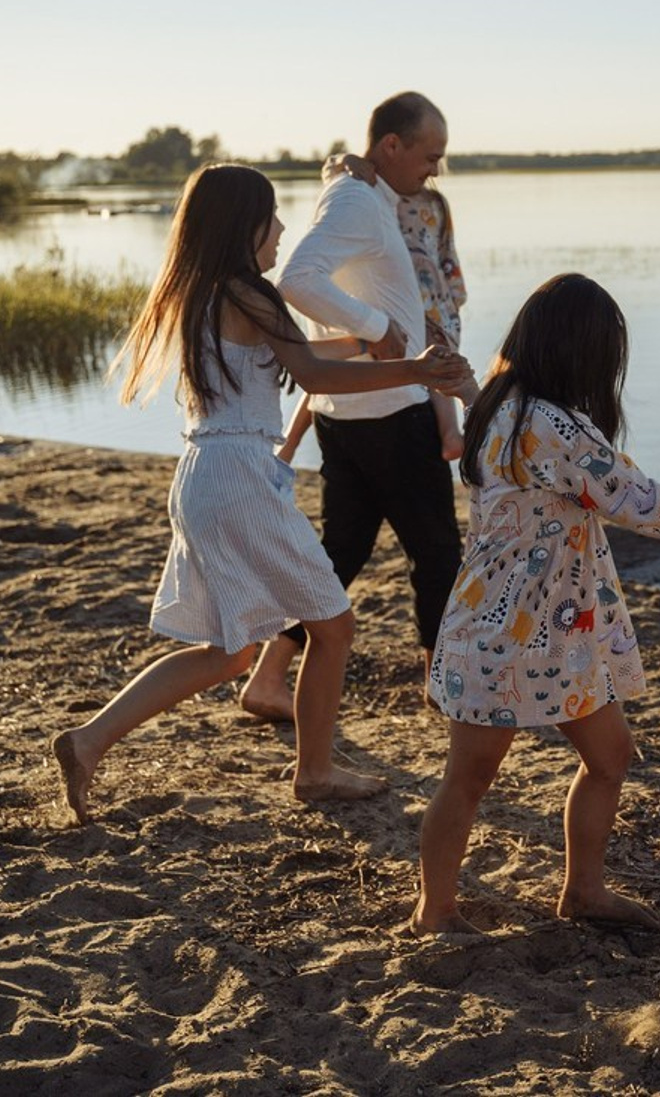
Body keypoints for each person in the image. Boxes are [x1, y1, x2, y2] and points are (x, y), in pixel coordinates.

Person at [51, 163, 474, 824]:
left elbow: (299, 355)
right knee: (334, 628)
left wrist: (371, 344)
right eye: (274, 217)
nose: (282, 229)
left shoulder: (207, 293)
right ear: (245, 224)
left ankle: (87, 741)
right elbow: (308, 371)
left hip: (205, 476)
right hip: (241, 480)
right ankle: (315, 771)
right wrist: (414, 370)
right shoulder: (253, 293)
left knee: (232, 650)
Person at [411, 273, 660, 935]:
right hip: (509, 635)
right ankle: (435, 910)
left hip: (548, 631)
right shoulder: (551, 423)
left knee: (609, 757)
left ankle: (584, 891)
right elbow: (644, 504)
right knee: (469, 778)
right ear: (580, 352)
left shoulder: (501, 406)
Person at [239, 93, 464, 722]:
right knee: (438, 552)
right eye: (430, 155)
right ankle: (442, 686)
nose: (435, 171)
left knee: (341, 551)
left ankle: (267, 677)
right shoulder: (355, 199)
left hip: (353, 410)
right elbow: (297, 281)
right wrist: (374, 328)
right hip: (388, 411)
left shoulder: (361, 192)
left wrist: (341, 165)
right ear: (391, 146)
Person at [277, 149, 466, 464]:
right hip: (413, 296)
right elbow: (447, 258)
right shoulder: (378, 192)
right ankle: (450, 431)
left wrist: (451, 297)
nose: (432, 170)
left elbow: (445, 250)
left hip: (418, 298)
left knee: (432, 370)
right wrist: (345, 161)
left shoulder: (423, 201)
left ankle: (450, 432)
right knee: (428, 371)